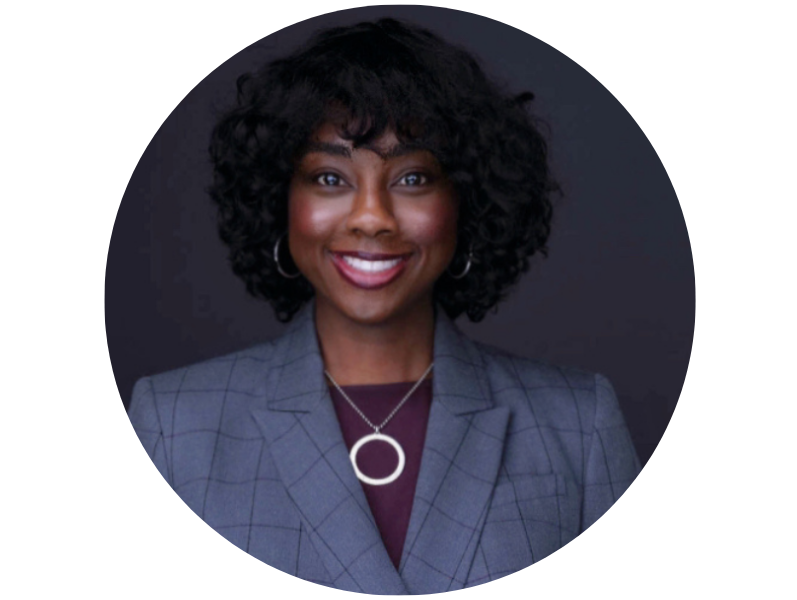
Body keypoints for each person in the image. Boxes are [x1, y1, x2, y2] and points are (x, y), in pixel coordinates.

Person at [128, 18, 640, 594]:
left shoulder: (578, 427)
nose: (371, 216)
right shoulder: (172, 427)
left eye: (413, 177)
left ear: (466, 202)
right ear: (279, 201)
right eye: (328, 177)